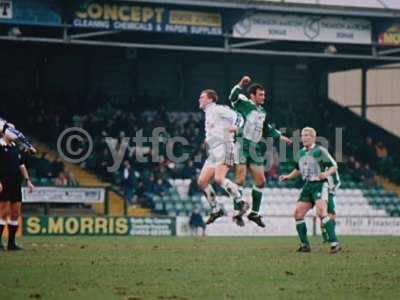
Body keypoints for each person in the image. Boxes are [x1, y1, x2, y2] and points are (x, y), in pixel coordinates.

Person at [229, 76, 292, 227]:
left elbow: (266, 129)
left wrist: (280, 137)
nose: (263, 97)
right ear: (252, 95)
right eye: (260, 95)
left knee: (261, 182)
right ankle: (238, 211)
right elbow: (232, 97)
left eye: (264, 95)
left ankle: (254, 213)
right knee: (240, 178)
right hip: (242, 144)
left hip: (255, 147)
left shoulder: (262, 111)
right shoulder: (244, 103)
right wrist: (240, 84)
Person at [279, 127, 341, 254]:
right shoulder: (300, 153)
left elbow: (334, 165)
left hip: (320, 184)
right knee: (298, 214)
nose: (304, 137)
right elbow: (298, 169)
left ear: (313, 137)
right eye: (302, 135)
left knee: (321, 212)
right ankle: (305, 245)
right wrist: (288, 176)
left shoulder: (319, 151)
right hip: (308, 186)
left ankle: (335, 243)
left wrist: (326, 173)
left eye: (307, 135)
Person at [197, 89, 247, 225]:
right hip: (214, 150)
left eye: (202, 97)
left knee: (219, 178)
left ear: (211, 99)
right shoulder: (208, 113)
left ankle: (240, 200)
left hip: (225, 146)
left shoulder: (218, 109)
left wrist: (236, 127)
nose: (199, 99)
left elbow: (238, 117)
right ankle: (216, 209)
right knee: (202, 181)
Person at [0, 134, 35, 251]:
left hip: (16, 183)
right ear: (5, 133)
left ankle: (11, 243)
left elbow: (21, 165)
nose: (15, 133)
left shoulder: (16, 147)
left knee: (15, 212)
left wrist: (28, 180)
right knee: (3, 212)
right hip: (4, 182)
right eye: (12, 130)